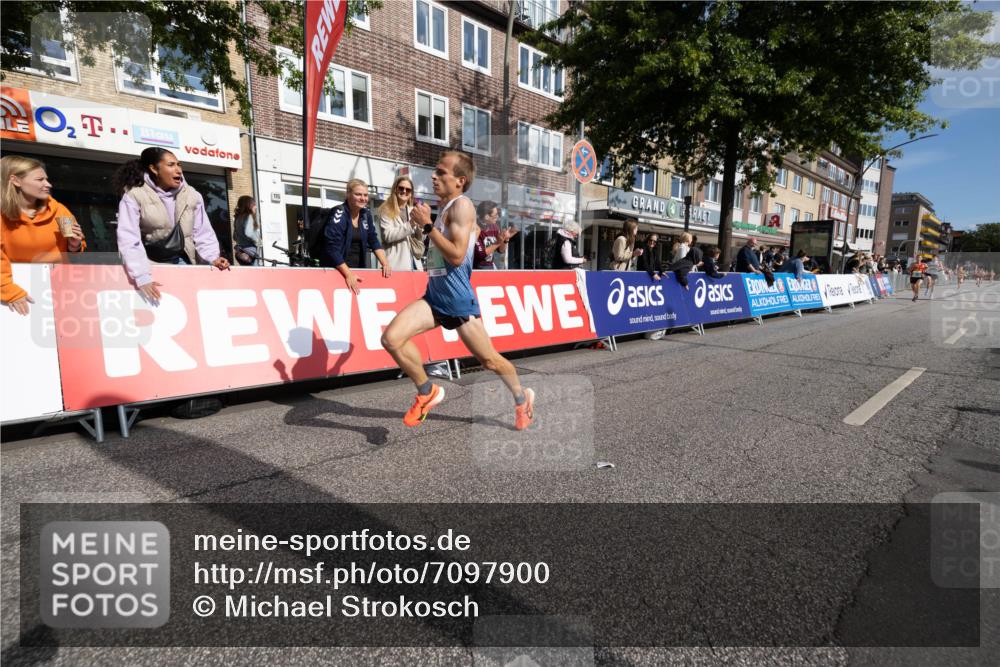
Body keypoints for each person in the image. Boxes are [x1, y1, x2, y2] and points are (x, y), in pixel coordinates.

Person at [380, 151, 535, 430]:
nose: (434, 176)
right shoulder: (442, 208)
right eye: (435, 171)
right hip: (435, 298)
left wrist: (427, 226)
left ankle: (522, 398)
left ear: (460, 180)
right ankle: (427, 392)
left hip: (459, 301)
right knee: (391, 339)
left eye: (441, 172)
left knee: (490, 361)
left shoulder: (462, 207)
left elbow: (455, 255)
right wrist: (423, 227)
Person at [113, 147, 229, 302]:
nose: (178, 170)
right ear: (154, 169)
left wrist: (212, 257)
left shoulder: (192, 195)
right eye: (171, 165)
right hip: (152, 265)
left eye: (179, 164)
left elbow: (203, 232)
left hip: (186, 262)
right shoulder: (134, 196)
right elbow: (128, 238)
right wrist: (142, 275)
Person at [2, 155, 86, 315]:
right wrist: (8, 290)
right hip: (16, 296)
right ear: (15, 180)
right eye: (40, 180)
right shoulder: (2, 216)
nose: (48, 184)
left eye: (46, 179)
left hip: (60, 292)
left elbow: (75, 256)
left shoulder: (59, 210)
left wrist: (75, 245)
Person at [316, 178, 391, 293]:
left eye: (365, 195)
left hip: (357, 270)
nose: (363, 198)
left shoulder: (365, 214)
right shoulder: (339, 213)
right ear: (348, 194)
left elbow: (373, 240)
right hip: (338, 271)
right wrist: (348, 274)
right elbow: (331, 248)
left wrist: (385, 263)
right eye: (358, 194)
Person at [377, 175, 424, 271]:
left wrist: (421, 227)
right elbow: (388, 236)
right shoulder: (386, 210)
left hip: (415, 264)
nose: (404, 191)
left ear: (411, 193)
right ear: (395, 189)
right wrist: (410, 224)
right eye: (401, 188)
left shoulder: (413, 210)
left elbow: (421, 239)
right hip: (395, 265)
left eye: (408, 190)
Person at [473, 200, 517, 270]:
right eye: (495, 214)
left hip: (490, 265)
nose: (497, 216)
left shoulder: (494, 227)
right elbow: (481, 255)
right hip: (476, 268)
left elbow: (501, 250)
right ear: (487, 217)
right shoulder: (475, 229)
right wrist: (498, 242)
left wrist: (506, 239)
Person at [232, 195, 262, 266]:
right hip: (250, 253)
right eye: (254, 205)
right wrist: (259, 241)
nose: (256, 207)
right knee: (254, 274)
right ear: (249, 205)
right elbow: (249, 233)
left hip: (240, 252)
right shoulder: (249, 216)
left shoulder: (237, 218)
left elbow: (234, 237)